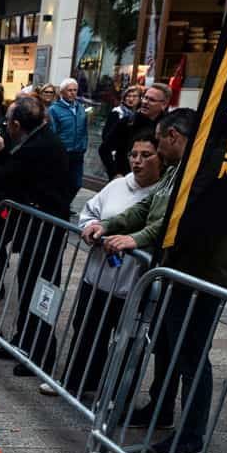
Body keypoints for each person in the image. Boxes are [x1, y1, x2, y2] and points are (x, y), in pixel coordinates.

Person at [82, 108, 227, 453]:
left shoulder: (207, 174)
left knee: (191, 358)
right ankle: (161, 407)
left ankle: (192, 435)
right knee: (165, 348)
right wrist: (109, 225)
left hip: (198, 280)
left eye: (158, 141)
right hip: (171, 275)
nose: (155, 148)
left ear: (173, 137)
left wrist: (136, 239)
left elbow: (178, 223)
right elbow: (147, 208)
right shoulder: (175, 172)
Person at [0, 95, 75, 380]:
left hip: (46, 230)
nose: (6, 126)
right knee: (27, 283)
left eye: (8, 121)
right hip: (36, 226)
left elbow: (3, 178)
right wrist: (3, 153)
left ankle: (41, 353)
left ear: (17, 125)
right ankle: (24, 341)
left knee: (41, 289)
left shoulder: (39, 145)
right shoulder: (37, 141)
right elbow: (19, 174)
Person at [66, 128, 163, 397]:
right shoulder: (117, 185)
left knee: (127, 341)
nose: (137, 161)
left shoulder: (161, 194)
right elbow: (89, 212)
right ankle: (78, 383)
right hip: (97, 277)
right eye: (133, 154)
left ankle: (116, 396)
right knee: (86, 331)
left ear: (160, 157)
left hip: (132, 285)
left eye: (146, 155)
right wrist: (91, 227)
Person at [48, 79, 89, 193]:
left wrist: (84, 146)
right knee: (61, 184)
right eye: (69, 90)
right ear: (62, 92)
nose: (72, 93)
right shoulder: (54, 109)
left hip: (78, 153)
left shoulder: (81, 108)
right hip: (63, 153)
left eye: (75, 90)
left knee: (77, 184)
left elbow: (85, 130)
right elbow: (52, 133)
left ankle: (65, 202)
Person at [98, 84, 143, 177]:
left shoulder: (140, 115)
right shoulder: (117, 113)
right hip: (117, 157)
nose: (131, 99)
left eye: (134, 96)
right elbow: (106, 136)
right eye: (128, 96)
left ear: (139, 99)